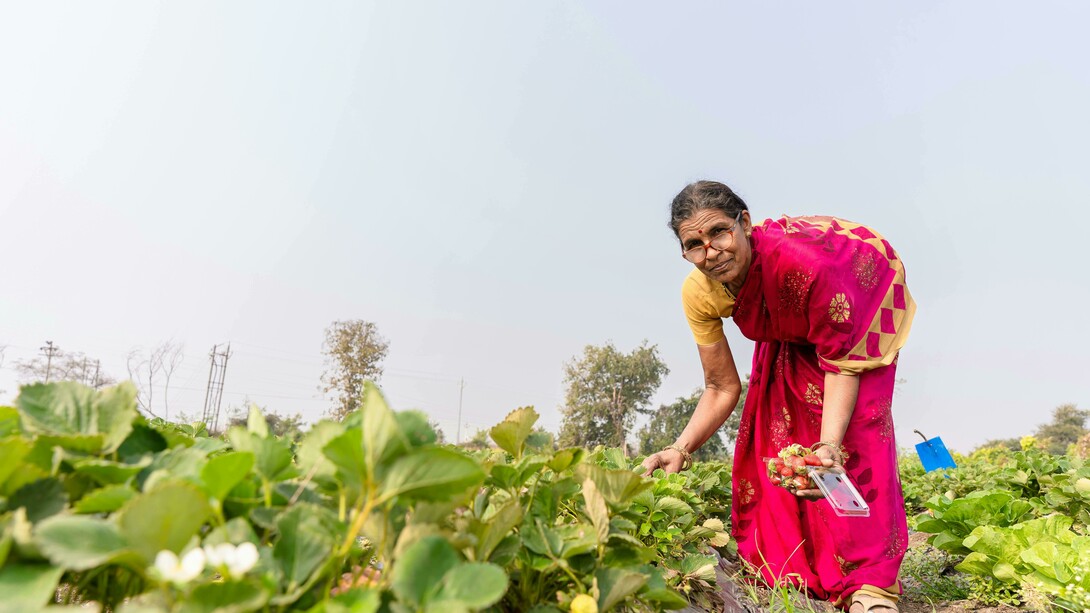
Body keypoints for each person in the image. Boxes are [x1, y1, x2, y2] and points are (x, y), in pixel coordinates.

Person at [641, 181, 916, 613]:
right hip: (790, 322)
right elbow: (722, 386)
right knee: (776, 435)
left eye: (718, 233)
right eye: (693, 244)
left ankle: (871, 586)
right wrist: (680, 448)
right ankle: (795, 571)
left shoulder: (805, 266)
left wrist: (828, 447)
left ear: (745, 224)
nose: (710, 252)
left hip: (857, 302)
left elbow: (842, 365)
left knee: (854, 438)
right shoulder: (699, 292)